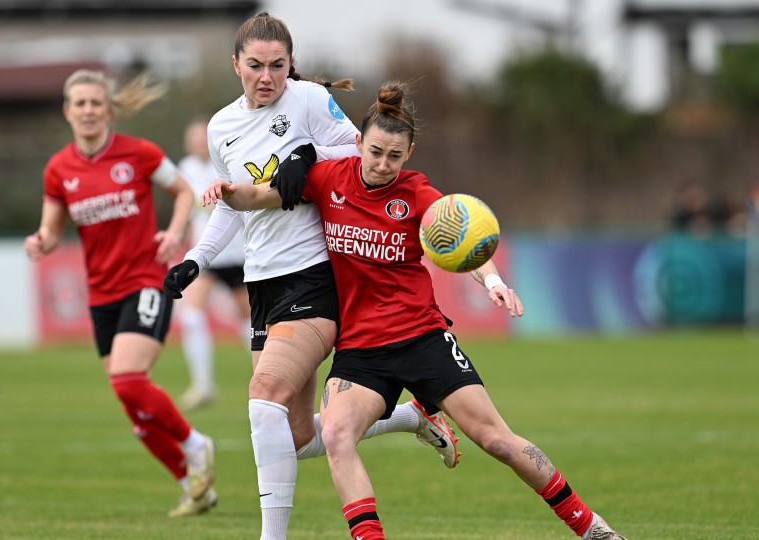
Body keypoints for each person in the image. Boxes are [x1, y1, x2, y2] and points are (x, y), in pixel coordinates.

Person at [205, 81, 626, 539]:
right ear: (359, 143)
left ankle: (592, 528)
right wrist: (227, 191)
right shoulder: (328, 178)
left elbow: (467, 243)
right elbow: (257, 197)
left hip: (422, 339)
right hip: (360, 350)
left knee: (496, 440)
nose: (383, 165)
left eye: (394, 156)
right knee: (337, 436)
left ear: (409, 153)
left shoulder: (418, 193)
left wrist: (494, 281)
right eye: (375, 152)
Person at [162, 12, 460, 540]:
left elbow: (363, 153)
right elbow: (232, 206)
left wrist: (309, 153)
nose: (267, 77)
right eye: (255, 65)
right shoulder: (221, 127)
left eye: (278, 65)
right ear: (235, 65)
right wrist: (196, 259)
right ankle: (412, 417)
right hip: (262, 284)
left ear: (291, 63)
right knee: (296, 436)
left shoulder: (308, 100)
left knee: (263, 396)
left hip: (314, 277)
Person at [23, 69, 217, 517]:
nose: (88, 110)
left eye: (96, 102)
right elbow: (50, 229)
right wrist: (40, 242)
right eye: (80, 103)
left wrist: (174, 233)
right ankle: (193, 487)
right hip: (100, 295)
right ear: (68, 111)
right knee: (133, 406)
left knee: (129, 380)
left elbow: (183, 192)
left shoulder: (139, 153)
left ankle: (195, 444)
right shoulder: (59, 169)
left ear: (109, 109)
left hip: (145, 281)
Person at [175, 117, 251, 411]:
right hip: (206, 257)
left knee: (251, 321)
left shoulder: (229, 162)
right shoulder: (185, 169)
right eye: (192, 138)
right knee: (191, 315)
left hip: (237, 253)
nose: (197, 143)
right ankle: (202, 385)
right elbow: (187, 210)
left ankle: (268, 378)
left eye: (201, 137)